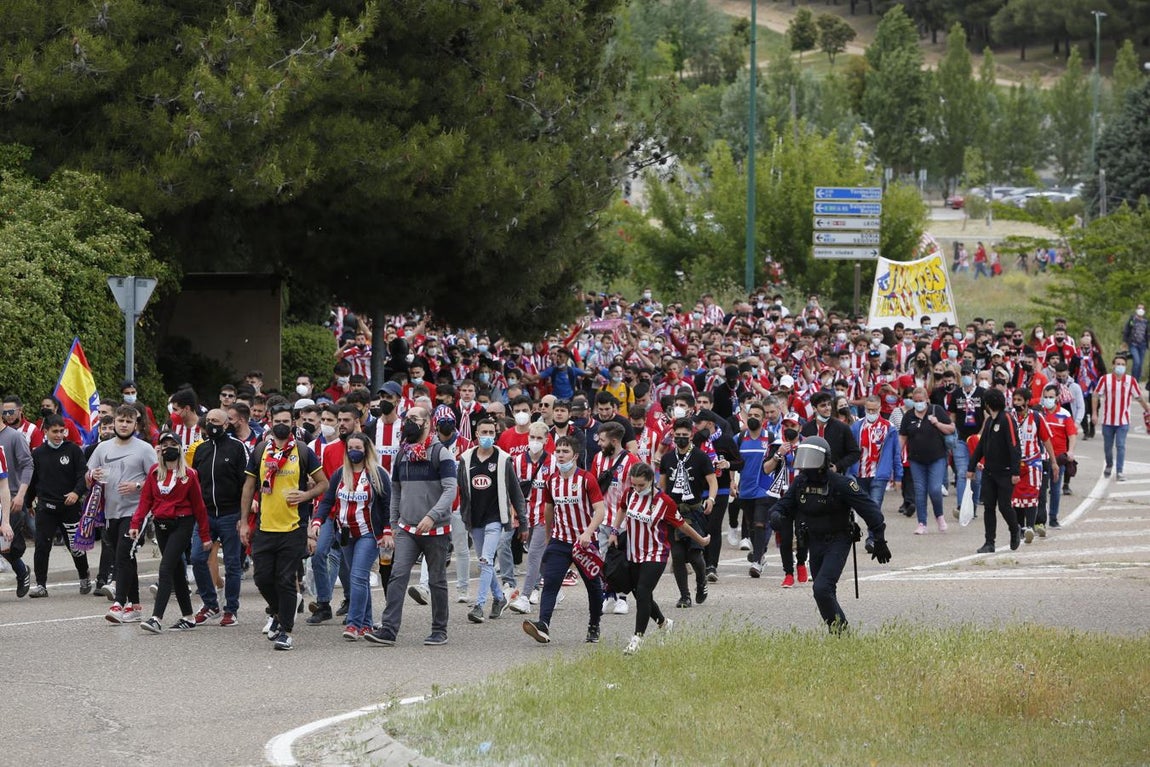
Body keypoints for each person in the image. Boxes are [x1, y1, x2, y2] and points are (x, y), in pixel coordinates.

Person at [769, 436, 890, 633]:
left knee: (822, 588)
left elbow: (870, 510)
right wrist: (775, 515)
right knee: (823, 592)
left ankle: (842, 633)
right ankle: (836, 633)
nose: (806, 463)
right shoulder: (800, 482)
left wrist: (879, 538)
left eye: (811, 457)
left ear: (823, 460)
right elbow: (782, 505)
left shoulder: (840, 484)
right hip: (813, 541)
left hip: (838, 540)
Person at [365, 406, 457, 647]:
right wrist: (394, 523)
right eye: (407, 419)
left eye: (414, 419)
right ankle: (388, 629)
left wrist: (432, 516)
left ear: (428, 423)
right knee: (397, 575)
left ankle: (439, 630)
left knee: (436, 580)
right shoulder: (402, 454)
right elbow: (396, 490)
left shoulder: (441, 453)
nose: (408, 423)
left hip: (436, 530)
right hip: (406, 529)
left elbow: (450, 490)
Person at [239, 404, 329, 651]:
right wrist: (244, 521)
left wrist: (305, 495)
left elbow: (324, 483)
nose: (281, 424)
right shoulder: (260, 451)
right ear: (269, 421)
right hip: (265, 527)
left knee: (285, 579)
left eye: (286, 420)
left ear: (293, 423)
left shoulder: (302, 451)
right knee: (262, 578)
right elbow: (248, 487)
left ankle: (286, 631)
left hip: (293, 527)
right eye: (277, 419)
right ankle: (279, 613)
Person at [608, 462, 709, 655]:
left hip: (656, 553)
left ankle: (637, 639)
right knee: (639, 593)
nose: (637, 489)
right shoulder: (630, 494)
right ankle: (664, 623)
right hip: (633, 552)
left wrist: (701, 540)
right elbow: (621, 509)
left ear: (651, 481)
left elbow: (682, 526)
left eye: (641, 485)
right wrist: (614, 530)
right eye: (634, 484)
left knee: (644, 591)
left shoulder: (665, 502)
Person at [522, 436, 607, 645]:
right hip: (560, 541)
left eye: (565, 451)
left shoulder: (587, 479)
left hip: (585, 542)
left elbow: (600, 510)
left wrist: (588, 532)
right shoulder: (552, 480)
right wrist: (550, 534)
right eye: (558, 451)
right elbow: (549, 508)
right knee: (550, 581)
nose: (560, 455)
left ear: (575, 455)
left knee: (593, 587)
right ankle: (543, 624)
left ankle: (594, 624)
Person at [128, 432, 212, 633]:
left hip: (182, 523)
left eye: (172, 444)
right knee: (175, 572)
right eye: (164, 445)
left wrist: (205, 535)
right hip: (161, 524)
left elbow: (199, 507)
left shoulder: (189, 475)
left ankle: (156, 617)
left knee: (165, 568)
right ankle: (188, 616)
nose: (168, 448)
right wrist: (136, 523)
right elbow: (146, 500)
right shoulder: (155, 472)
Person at [310, 433, 391, 641]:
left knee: (356, 576)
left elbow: (387, 504)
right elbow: (327, 500)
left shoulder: (377, 475)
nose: (354, 451)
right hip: (345, 532)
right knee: (360, 579)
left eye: (358, 447)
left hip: (368, 534)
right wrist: (318, 520)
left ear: (366, 450)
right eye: (351, 447)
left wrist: (388, 531)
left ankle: (354, 624)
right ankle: (366, 623)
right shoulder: (340, 474)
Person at [87, 406, 156, 623]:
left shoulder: (145, 449)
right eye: (121, 420)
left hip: (136, 511)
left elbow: (157, 479)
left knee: (123, 555)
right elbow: (88, 476)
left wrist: (137, 485)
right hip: (110, 512)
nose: (124, 424)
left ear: (136, 424)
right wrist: (92, 475)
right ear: (114, 422)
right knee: (127, 557)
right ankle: (135, 605)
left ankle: (118, 603)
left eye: (129, 421)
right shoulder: (102, 448)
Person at [456, 418, 526, 624]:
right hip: (475, 519)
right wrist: (464, 515)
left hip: (495, 518)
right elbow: (462, 489)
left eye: (490, 432)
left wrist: (522, 521)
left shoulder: (504, 459)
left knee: (486, 560)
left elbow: (516, 492)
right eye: (483, 432)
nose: (487, 436)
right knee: (485, 562)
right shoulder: (466, 459)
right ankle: (499, 597)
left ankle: (478, 605)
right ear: (476, 434)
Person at [189, 408, 249, 627]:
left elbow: (247, 482)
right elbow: (194, 483)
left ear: (226, 425)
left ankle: (231, 609)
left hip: (230, 513)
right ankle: (210, 603)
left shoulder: (237, 448)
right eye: (209, 420)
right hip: (205, 515)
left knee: (233, 564)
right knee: (197, 558)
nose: (211, 424)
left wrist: (244, 516)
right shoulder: (201, 450)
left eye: (216, 421)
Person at [24, 415, 91, 597]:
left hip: (70, 508)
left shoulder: (73, 451)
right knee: (42, 546)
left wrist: (76, 493)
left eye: (62, 431)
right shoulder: (38, 454)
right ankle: (41, 585)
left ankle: (84, 576)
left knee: (75, 546)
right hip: (46, 508)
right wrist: (28, 502)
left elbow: (83, 475)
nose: (59, 435)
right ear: (45, 432)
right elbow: (32, 481)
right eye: (55, 431)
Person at [658, 418, 716, 608]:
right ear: (673, 435)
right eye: (678, 436)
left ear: (691, 435)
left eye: (685, 436)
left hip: (694, 510)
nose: (681, 439)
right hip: (673, 511)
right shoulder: (667, 458)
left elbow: (712, 481)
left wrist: (711, 499)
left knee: (694, 555)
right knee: (678, 555)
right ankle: (684, 595)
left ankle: (701, 581)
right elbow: (662, 485)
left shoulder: (700, 456)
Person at [970, 388, 1022, 554]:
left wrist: (1015, 472)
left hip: (1005, 472)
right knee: (989, 506)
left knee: (1004, 506)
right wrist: (971, 467)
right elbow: (981, 447)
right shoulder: (990, 422)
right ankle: (989, 542)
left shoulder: (1006, 418)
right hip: (989, 472)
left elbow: (1015, 446)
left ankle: (1015, 529)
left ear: (988, 404)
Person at [509, 421, 554, 613]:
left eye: (539, 438)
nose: (535, 442)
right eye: (532, 438)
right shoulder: (518, 461)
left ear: (546, 440)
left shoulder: (552, 462)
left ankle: (525, 596)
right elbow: (513, 490)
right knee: (540, 556)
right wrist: (515, 515)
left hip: (544, 516)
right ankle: (553, 586)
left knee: (534, 555)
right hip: (524, 515)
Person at [899, 386, 955, 535]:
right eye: (915, 401)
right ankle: (922, 522)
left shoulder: (937, 410)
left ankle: (939, 516)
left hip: (937, 457)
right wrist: (897, 455)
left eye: (921, 400)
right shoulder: (908, 416)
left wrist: (937, 423)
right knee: (920, 490)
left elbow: (951, 429)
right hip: (916, 460)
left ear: (927, 400)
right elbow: (902, 437)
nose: (918, 403)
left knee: (935, 489)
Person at [1093, 353, 1149, 482]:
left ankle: (1119, 471)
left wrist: (1147, 409)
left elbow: (1139, 397)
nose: (1120, 367)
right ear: (1113, 365)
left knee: (1121, 445)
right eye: (1118, 364)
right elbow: (1096, 395)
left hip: (1123, 421)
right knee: (1108, 447)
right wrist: (1095, 413)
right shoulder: (1105, 379)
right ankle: (1109, 464)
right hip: (1108, 421)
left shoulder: (1130, 380)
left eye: (1123, 365)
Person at [0, 400, 34, 597]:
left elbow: (28, 466)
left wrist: (21, 495)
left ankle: (22, 572)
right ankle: (22, 571)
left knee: (7, 546)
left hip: (11, 499)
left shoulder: (14, 437)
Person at [1038, 384, 1077, 530]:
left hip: (1059, 457)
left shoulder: (1065, 414)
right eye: (1046, 397)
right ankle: (1039, 519)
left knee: (1055, 488)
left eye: (1051, 397)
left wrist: (1070, 451)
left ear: (1057, 397)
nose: (1048, 400)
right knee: (1040, 489)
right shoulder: (1039, 413)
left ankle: (1053, 518)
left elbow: (1071, 435)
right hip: (1041, 457)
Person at [1122, 303, 1147, 381]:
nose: (1140, 310)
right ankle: (1133, 381)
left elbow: (1147, 333)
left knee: (1140, 365)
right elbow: (1127, 330)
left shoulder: (1146, 322)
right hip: (1133, 344)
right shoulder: (1132, 320)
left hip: (1143, 345)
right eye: (1139, 308)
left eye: (1142, 309)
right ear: (1136, 310)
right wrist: (1125, 342)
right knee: (1136, 362)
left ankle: (1137, 381)